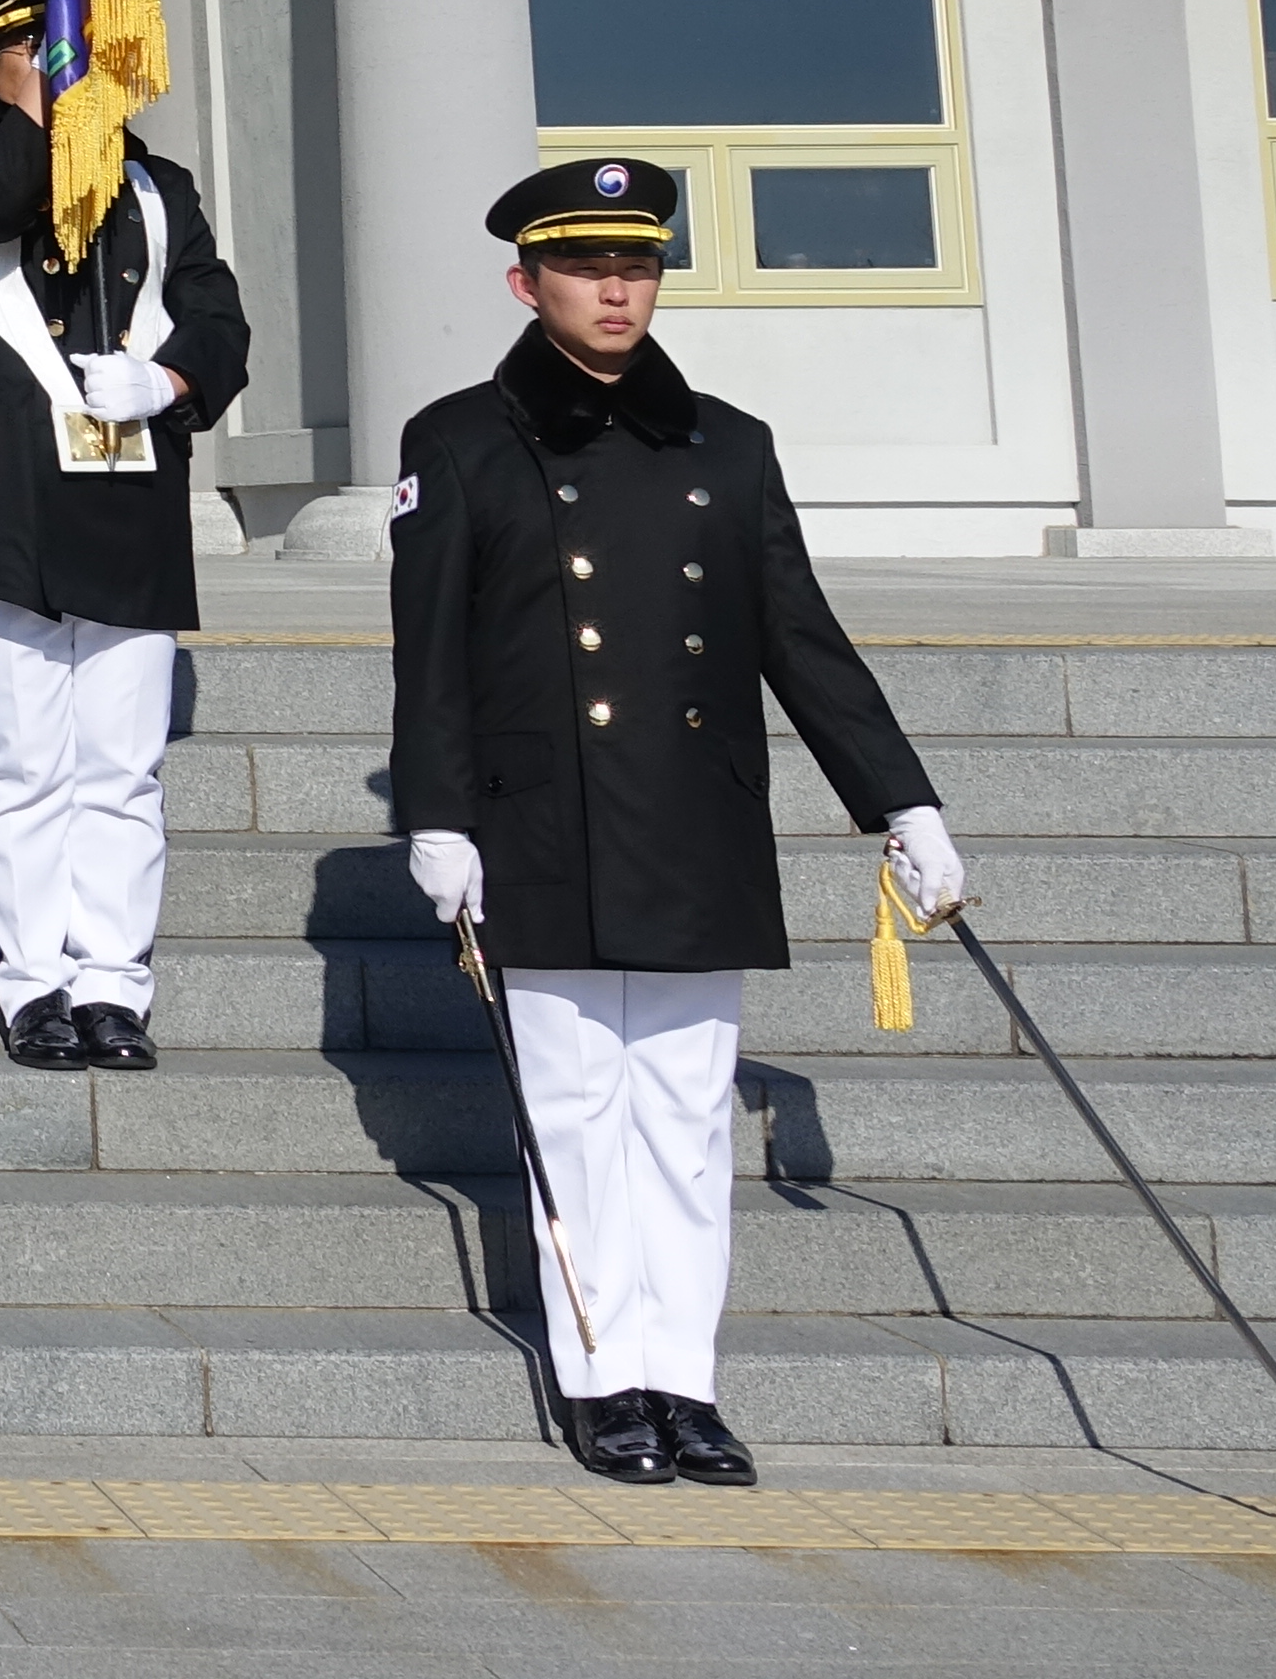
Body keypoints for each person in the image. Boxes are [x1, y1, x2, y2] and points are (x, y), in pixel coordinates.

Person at [394, 156, 970, 1490]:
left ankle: (686, 1382)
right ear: (524, 282)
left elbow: (804, 644)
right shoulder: (463, 440)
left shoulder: (730, 444)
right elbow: (430, 656)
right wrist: (436, 815)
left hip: (697, 827)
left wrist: (904, 802)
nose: (616, 288)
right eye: (588, 267)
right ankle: (602, 1376)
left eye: (637, 265)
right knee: (583, 1112)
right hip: (543, 826)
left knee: (685, 1119)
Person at [0, 0, 254, 1072]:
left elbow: (218, 319)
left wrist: (174, 381)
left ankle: (114, 986)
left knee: (122, 764)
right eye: (39, 43)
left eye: (82, 39)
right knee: (28, 758)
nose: (70, 61)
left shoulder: (156, 185)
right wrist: (50, 118)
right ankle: (35, 979)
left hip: (124, 495)